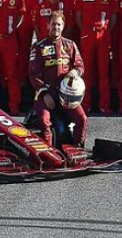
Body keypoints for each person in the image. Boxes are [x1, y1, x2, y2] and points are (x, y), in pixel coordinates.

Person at [28, 13, 87, 148]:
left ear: (63, 26)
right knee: (44, 121)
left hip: (65, 93)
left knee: (81, 118)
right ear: (48, 25)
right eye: (53, 24)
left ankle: (78, 149)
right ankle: (48, 154)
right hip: (45, 92)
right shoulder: (38, 47)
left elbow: (80, 65)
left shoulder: (70, 44)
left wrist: (76, 71)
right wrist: (44, 93)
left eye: (59, 24)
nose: (56, 27)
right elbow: (33, 74)